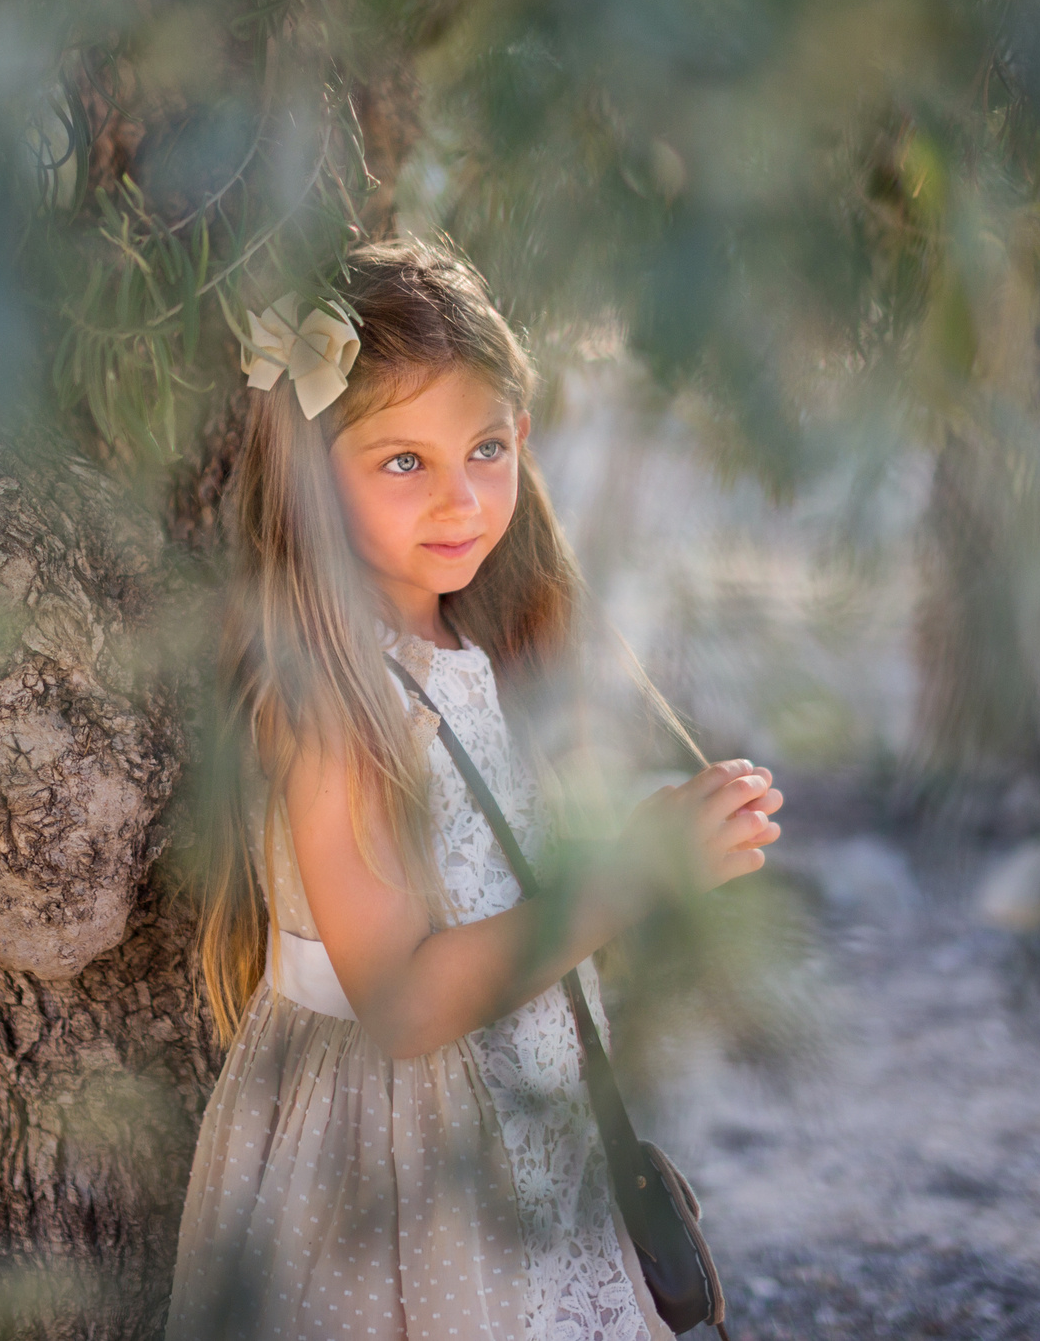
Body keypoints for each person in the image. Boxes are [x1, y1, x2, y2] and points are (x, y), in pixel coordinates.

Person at [168, 239, 784, 1341]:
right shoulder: (335, 698)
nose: (460, 498)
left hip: (517, 1126)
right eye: (404, 460)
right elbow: (403, 1003)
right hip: (389, 1161)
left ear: (523, 438)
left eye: (485, 449)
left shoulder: (474, 644)